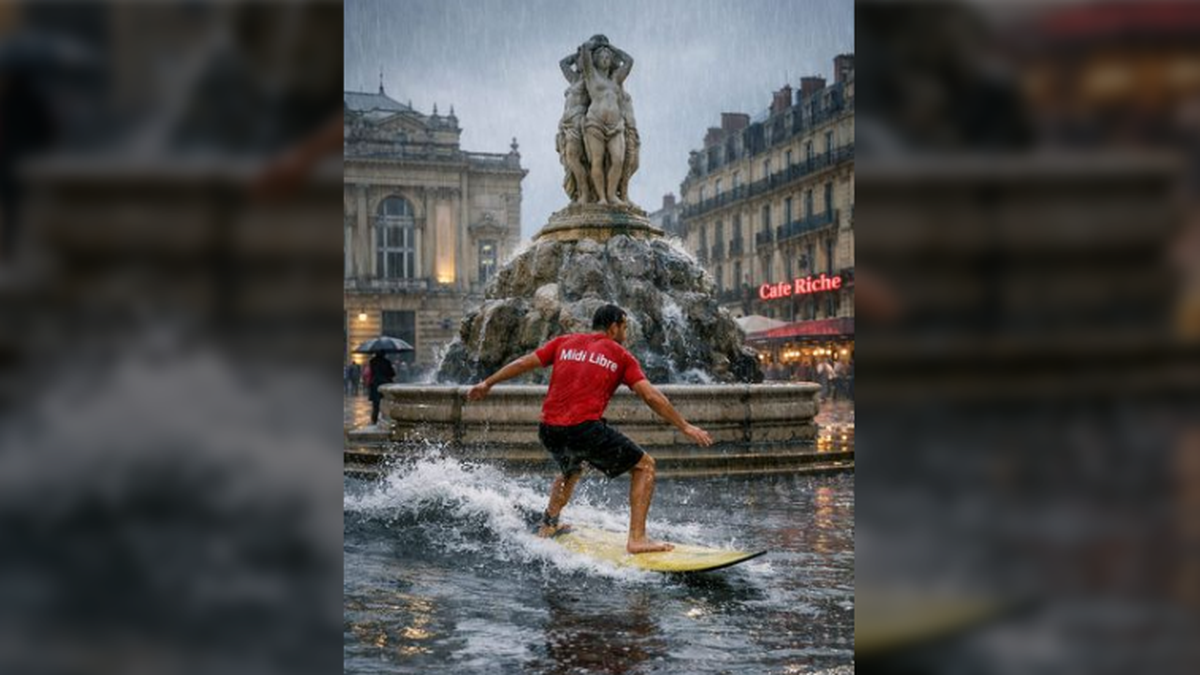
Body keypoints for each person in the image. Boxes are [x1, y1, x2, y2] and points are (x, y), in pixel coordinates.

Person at [466, 304, 713, 554]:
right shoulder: (621, 356)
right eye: (624, 327)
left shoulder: (564, 342)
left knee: (571, 469)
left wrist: (487, 383)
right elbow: (650, 396)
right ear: (613, 327)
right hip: (583, 429)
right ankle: (637, 539)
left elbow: (522, 363)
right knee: (645, 466)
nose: (626, 333)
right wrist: (684, 426)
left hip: (549, 429)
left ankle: (549, 524)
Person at [367, 352, 395, 425]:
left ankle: (374, 420)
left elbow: (372, 372)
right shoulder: (387, 362)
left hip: (375, 384)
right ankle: (386, 419)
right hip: (385, 383)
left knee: (375, 404)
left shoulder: (372, 361)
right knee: (387, 402)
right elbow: (392, 373)